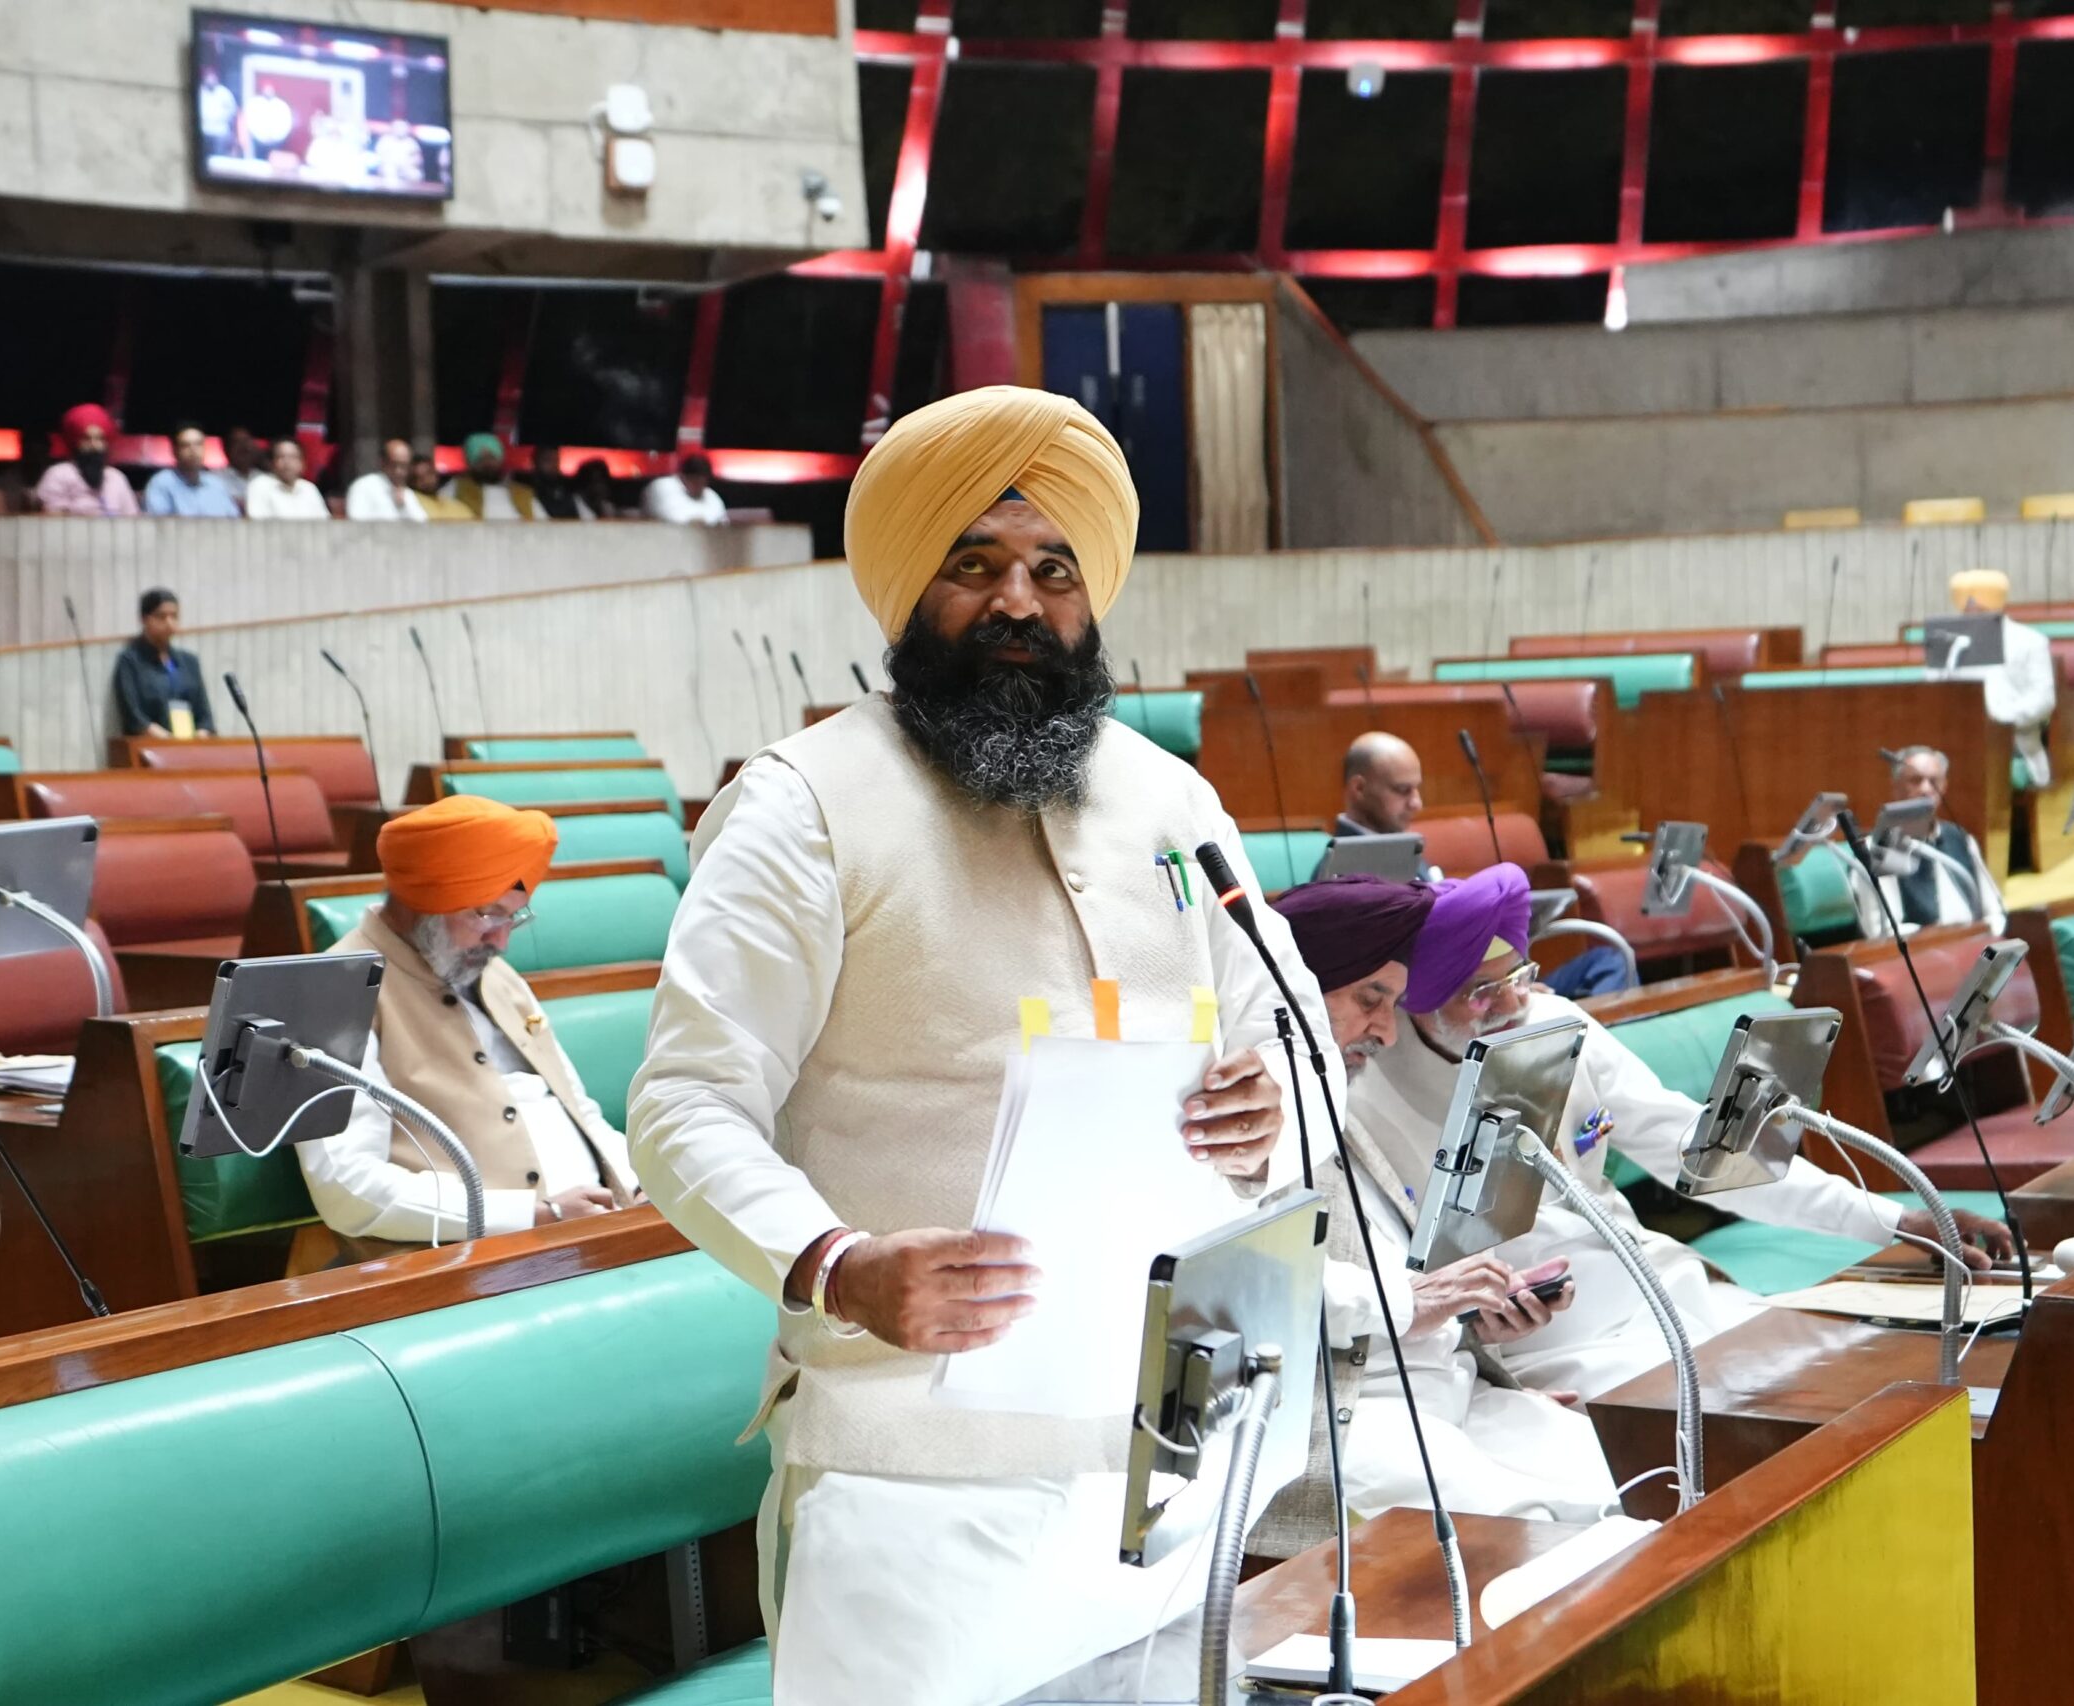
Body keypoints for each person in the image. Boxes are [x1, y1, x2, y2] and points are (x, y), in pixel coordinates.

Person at [629, 386, 1316, 1704]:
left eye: (1053, 569)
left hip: (1166, 1446)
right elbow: (685, 1104)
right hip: (908, 1477)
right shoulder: (803, 803)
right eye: (974, 563)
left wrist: (1268, 1107)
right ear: (909, 591)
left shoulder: (1172, 798)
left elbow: (1293, 1035)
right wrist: (834, 1264)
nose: (1017, 601)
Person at [1344, 861, 2013, 1400]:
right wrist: (1472, 1330)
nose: (1514, 1003)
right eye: (1481, 993)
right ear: (1414, 1001)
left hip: (1662, 1286)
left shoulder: (1557, 1023)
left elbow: (1702, 1151)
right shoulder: (1362, 1092)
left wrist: (1894, 1221)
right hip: (1552, 1346)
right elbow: (1388, 1290)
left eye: (1520, 976)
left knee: (1854, 1379)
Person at [1256, 875, 1611, 1548]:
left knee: (1619, 1488)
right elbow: (1256, 1290)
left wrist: (1474, 1317)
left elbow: (1411, 1288)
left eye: (1391, 1004)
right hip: (1349, 1417)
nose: (1386, 1031)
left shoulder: (1339, 1109)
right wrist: (1417, 1301)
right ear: (1292, 990)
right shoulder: (1233, 1123)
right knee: (1536, 1539)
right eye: (1370, 999)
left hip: (1460, 1390)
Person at [296, 797, 640, 1241]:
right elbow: (348, 1187)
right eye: (488, 914)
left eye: (513, 917)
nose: (501, 941)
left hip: (598, 1227)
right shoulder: (335, 992)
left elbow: (578, 1109)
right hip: (466, 1256)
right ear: (423, 901)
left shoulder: (496, 975)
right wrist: (538, 1215)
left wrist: (636, 1185)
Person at [1939, 568, 2058, 789]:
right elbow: (1934, 694)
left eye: (1978, 603)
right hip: (1957, 747)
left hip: (2014, 748)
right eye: (1966, 602)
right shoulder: (1948, 643)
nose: (1971, 609)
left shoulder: (2030, 641)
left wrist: (1999, 721)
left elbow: (2043, 699)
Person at [1874, 747, 2007, 934]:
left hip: (1974, 943)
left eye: (1934, 781)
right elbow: (1886, 931)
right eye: (1915, 781)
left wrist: (1987, 941)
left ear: (1944, 787)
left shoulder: (1960, 838)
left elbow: (1995, 910)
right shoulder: (1883, 848)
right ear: (1896, 787)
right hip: (1925, 949)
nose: (1925, 789)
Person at [111, 589, 216, 739]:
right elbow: (133, 715)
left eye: (174, 616)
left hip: (190, 744)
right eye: (161, 617)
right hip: (150, 744)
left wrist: (200, 735)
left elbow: (205, 715)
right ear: (144, 619)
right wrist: (167, 740)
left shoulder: (189, 662)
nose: (169, 623)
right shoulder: (130, 661)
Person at [35, 404, 139, 517]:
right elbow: (53, 521)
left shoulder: (117, 478)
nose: (94, 445)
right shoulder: (58, 474)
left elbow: (132, 520)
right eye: (86, 438)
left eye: (99, 439)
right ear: (76, 442)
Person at [140, 423, 242, 519]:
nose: (193, 450)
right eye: (186, 445)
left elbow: (233, 521)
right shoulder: (161, 483)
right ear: (175, 451)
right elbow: (159, 525)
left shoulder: (216, 484)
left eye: (198, 444)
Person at [1335, 731, 1424, 839]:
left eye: (1417, 788)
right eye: (1403, 789)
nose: (1417, 804)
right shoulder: (1338, 852)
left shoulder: (1409, 845)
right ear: (1359, 788)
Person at [449, 433, 537, 521]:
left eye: (491, 458)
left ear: (501, 460)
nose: (487, 463)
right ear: (470, 464)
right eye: (480, 459)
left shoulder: (523, 493)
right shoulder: (456, 487)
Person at [243, 438, 330, 520]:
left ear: (302, 464)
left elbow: (325, 523)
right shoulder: (259, 485)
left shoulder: (309, 489)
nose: (287, 462)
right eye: (281, 457)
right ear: (272, 463)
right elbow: (257, 523)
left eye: (293, 457)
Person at [344, 437, 425, 523]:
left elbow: (423, 523)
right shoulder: (363, 486)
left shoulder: (407, 493)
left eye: (404, 466)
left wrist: (403, 506)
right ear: (382, 462)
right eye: (394, 464)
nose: (399, 471)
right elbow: (356, 520)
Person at [641, 452, 728, 526]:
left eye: (703, 483)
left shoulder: (713, 498)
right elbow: (668, 517)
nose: (699, 486)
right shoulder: (661, 487)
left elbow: (722, 523)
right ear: (683, 477)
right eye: (695, 481)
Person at [409, 452, 474, 521]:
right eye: (421, 477)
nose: (430, 479)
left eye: (430, 472)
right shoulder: (412, 503)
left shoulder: (455, 505)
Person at [217, 425, 263, 513]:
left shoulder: (263, 479)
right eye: (237, 442)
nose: (244, 447)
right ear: (226, 450)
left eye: (246, 441)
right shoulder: (217, 479)